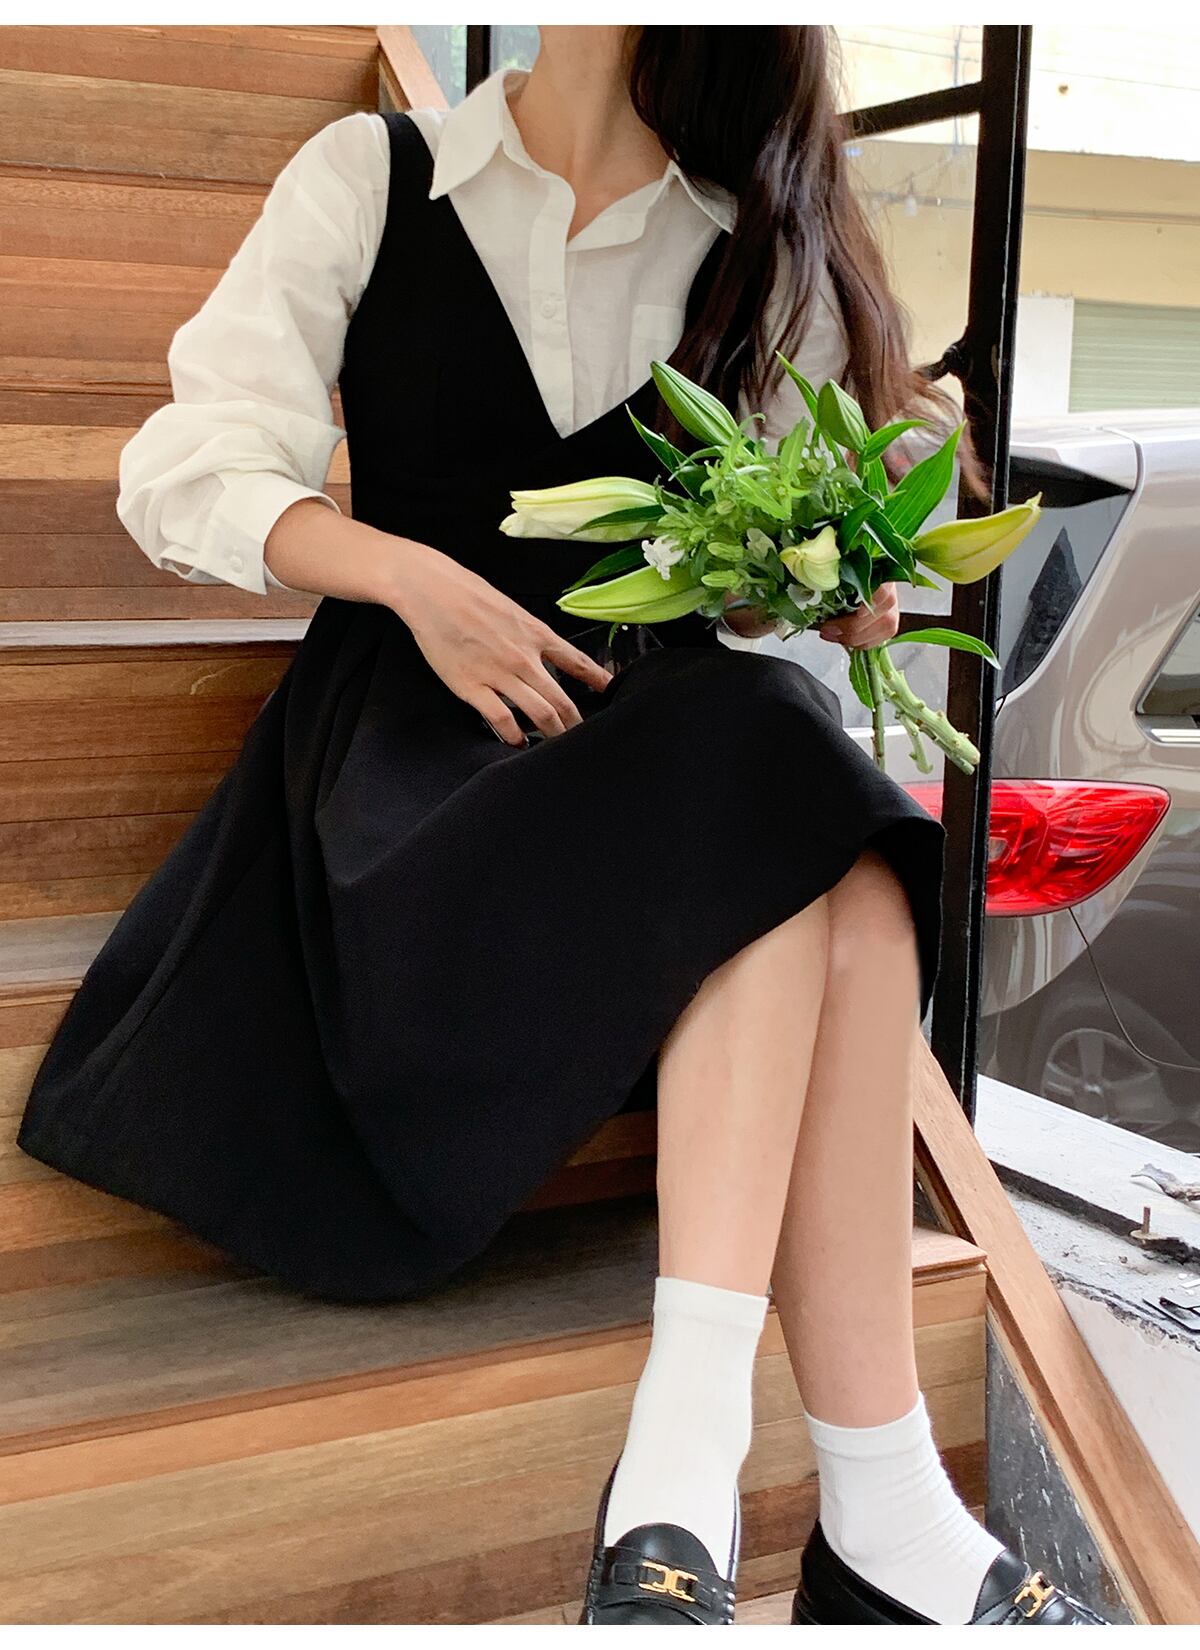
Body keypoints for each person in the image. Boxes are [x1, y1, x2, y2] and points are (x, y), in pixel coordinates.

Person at [17, 24, 1103, 1629]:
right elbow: (185, 470)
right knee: (797, 809)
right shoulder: (377, 174)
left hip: (645, 766)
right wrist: (404, 574)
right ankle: (833, 1492)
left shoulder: (746, 247)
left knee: (810, 805)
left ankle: (745, 1475)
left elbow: (743, 600)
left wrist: (829, 580)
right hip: (406, 774)